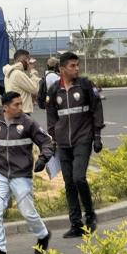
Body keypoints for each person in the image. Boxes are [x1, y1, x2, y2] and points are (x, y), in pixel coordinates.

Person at [0, 91, 54, 254]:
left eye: (21, 104)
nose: (20, 107)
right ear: (5, 107)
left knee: (27, 212)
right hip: (0, 175)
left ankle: (43, 234)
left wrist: (43, 158)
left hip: (21, 175)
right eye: (16, 104)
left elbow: (46, 142)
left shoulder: (28, 123)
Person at [45, 52, 105, 239]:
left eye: (77, 65)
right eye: (72, 66)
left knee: (79, 178)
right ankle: (76, 224)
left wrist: (96, 136)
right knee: (69, 182)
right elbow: (51, 117)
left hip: (83, 139)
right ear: (62, 69)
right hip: (64, 143)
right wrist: (54, 138)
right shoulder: (55, 90)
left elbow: (96, 109)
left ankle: (90, 215)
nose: (76, 68)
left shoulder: (86, 85)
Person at [3, 49, 41, 115]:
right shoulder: (18, 74)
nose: (29, 62)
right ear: (25, 60)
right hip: (22, 111)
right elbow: (35, 89)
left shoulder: (8, 73)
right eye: (28, 59)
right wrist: (33, 71)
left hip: (14, 110)